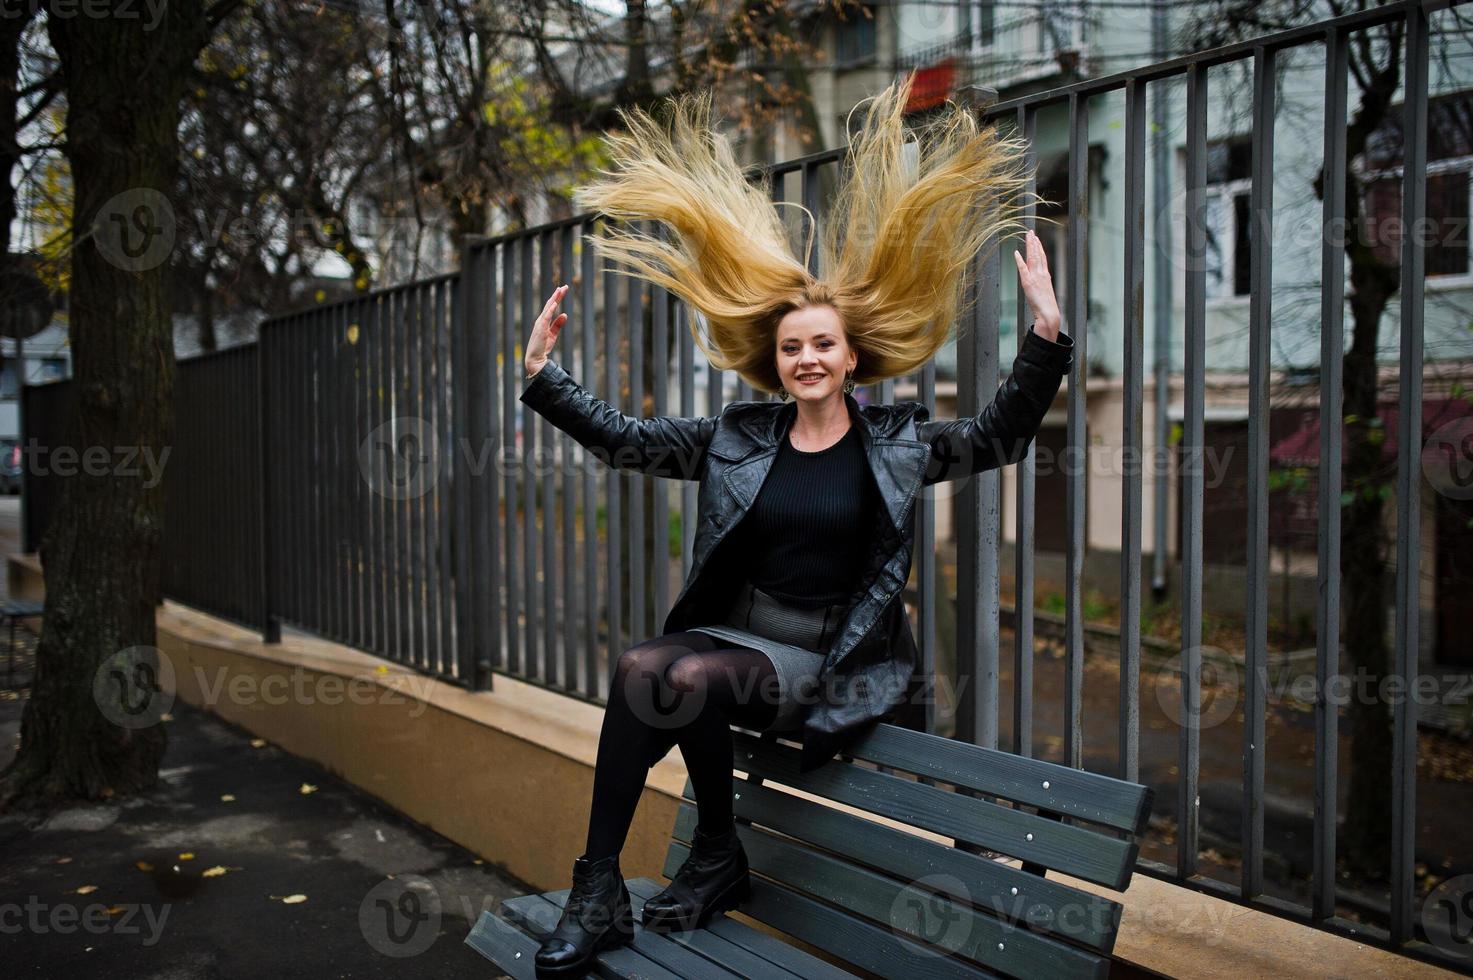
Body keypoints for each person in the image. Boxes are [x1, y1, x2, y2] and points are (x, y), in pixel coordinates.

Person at [518, 73, 1073, 978]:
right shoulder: (738, 436)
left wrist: (1045, 338)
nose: (806, 357)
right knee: (644, 668)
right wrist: (547, 378)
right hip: (735, 645)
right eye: (790, 347)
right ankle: (599, 886)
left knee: (680, 671)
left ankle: (699, 858)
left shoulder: (896, 443)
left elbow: (998, 436)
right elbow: (627, 443)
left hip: (828, 661)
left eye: (821, 343)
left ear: (852, 355)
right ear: (773, 365)